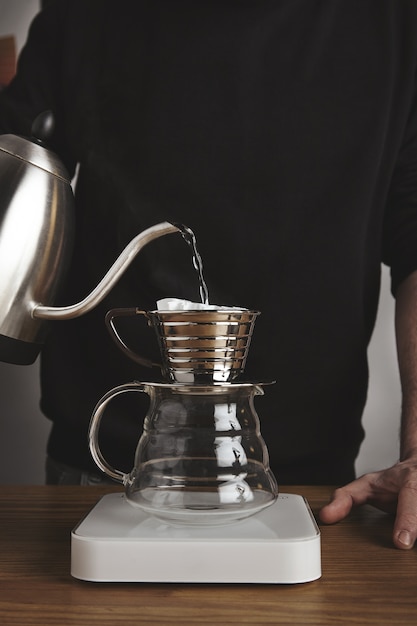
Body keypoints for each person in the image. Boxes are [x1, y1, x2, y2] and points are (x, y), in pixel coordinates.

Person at [1, 0, 417, 549]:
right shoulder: (85, 12)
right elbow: (19, 153)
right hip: (97, 475)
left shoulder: (396, 23)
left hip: (316, 487)